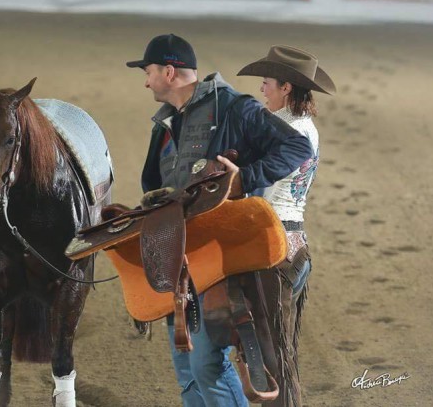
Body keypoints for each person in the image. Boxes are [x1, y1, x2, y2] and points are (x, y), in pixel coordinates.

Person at [126, 34, 314, 407]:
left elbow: (297, 147)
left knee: (206, 365)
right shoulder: (163, 126)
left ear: (168, 71)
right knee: (187, 370)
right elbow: (153, 187)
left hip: (217, 260)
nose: (145, 81)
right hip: (177, 259)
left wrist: (244, 178)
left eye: (147, 72)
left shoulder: (232, 107)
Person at [237, 44, 336, 407]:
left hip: (272, 247)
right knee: (282, 351)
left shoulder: (281, 129)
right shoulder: (307, 128)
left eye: (267, 83)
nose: (262, 90)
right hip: (296, 242)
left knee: (272, 355)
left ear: (286, 88)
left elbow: (258, 184)